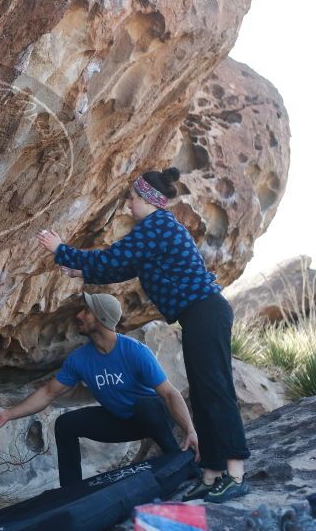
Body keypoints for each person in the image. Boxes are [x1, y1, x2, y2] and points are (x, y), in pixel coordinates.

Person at [38, 167, 250, 503]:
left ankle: (236, 475)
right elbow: (121, 267)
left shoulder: (157, 226)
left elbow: (113, 258)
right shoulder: (153, 233)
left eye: (133, 199)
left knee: (216, 390)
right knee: (203, 393)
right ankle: (211, 475)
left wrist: (61, 249)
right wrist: (82, 268)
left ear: (149, 201)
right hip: (197, 315)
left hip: (206, 311)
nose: (128, 205)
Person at [0, 293, 198, 488]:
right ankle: (71, 493)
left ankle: (181, 465)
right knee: (66, 424)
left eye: (86, 311)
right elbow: (48, 392)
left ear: (101, 318)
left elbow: (169, 394)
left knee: (145, 406)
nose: (79, 315)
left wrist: (190, 430)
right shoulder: (80, 359)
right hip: (122, 421)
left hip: (154, 417)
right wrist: (7, 414)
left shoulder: (135, 352)